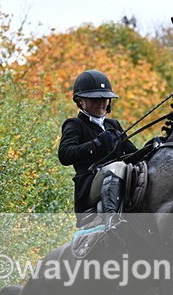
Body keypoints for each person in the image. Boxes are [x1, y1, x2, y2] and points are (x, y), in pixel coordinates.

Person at [58, 69, 137, 228]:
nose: (101, 103)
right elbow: (65, 155)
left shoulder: (112, 125)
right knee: (116, 167)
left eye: (104, 99)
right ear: (80, 101)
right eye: (94, 99)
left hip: (115, 177)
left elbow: (133, 153)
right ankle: (110, 221)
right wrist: (96, 144)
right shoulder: (74, 124)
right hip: (89, 184)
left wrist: (156, 147)